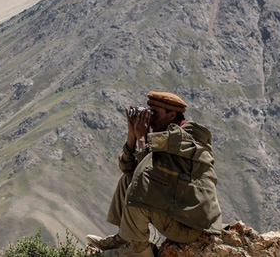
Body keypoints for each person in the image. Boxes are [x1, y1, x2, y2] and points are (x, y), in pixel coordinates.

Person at [86, 92, 222, 256]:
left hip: (190, 225)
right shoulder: (163, 137)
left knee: (139, 190)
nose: (150, 119)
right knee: (128, 179)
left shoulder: (190, 136)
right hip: (175, 211)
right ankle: (124, 238)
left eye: (154, 114)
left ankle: (137, 249)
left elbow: (147, 172)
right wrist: (132, 136)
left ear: (172, 115)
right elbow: (130, 168)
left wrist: (142, 138)